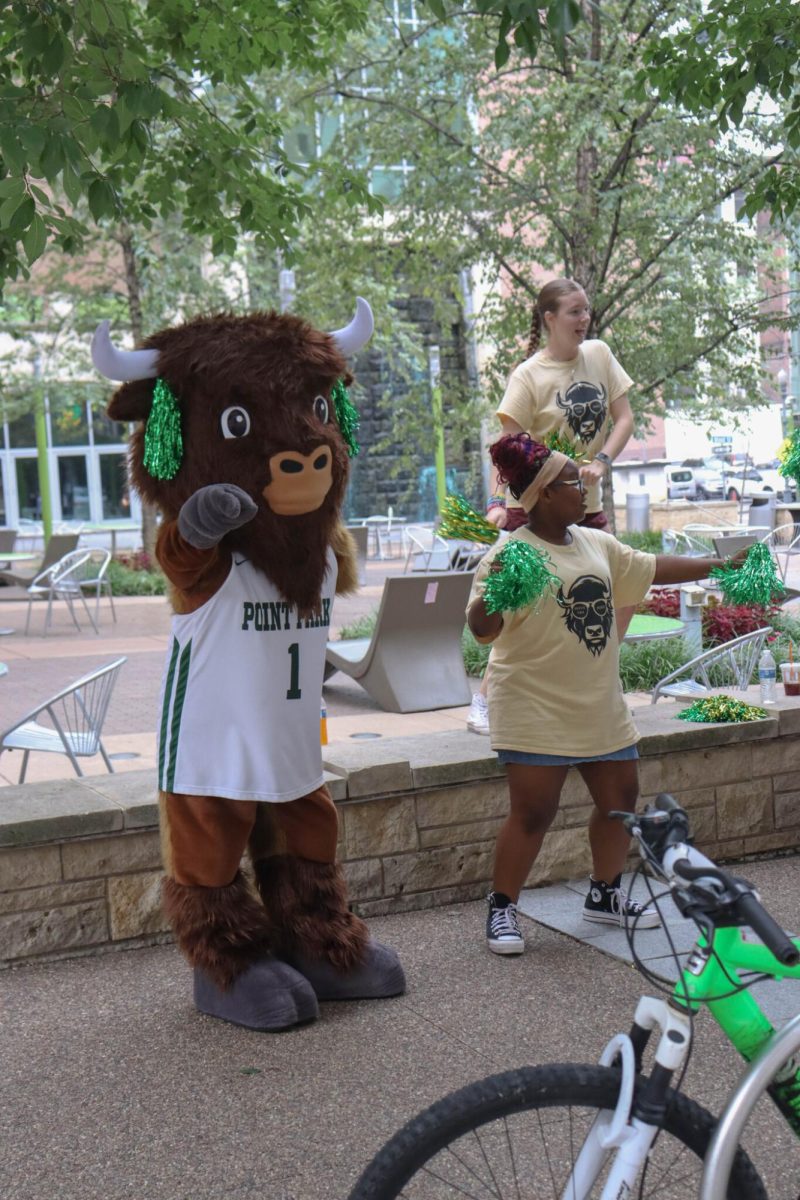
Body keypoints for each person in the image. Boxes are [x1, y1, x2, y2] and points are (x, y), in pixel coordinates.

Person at [467, 433, 745, 956]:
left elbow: (651, 566)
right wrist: (498, 590)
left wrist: (721, 565)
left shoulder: (594, 544)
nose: (585, 490)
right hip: (533, 702)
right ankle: (503, 907)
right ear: (545, 493)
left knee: (620, 802)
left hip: (597, 702)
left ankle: (604, 894)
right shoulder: (511, 555)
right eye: (574, 482)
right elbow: (482, 629)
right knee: (534, 813)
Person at [467, 277, 635, 734]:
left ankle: (602, 683)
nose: (585, 320)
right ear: (550, 319)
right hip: (538, 507)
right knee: (528, 606)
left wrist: (602, 460)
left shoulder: (598, 356)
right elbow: (506, 446)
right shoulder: (528, 376)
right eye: (574, 312)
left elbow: (625, 418)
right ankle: (485, 698)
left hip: (587, 504)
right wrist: (496, 502)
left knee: (620, 592)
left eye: (586, 311)